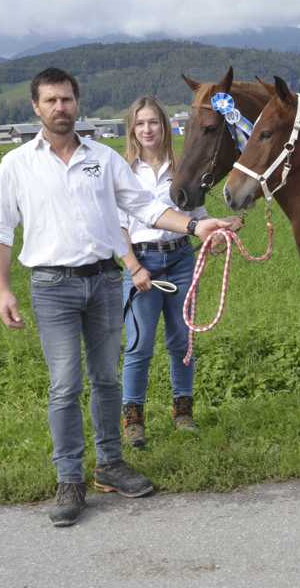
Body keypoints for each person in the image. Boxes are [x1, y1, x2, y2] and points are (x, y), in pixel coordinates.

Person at [0, 68, 241, 527]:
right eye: (51, 101)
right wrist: (3, 290)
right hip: (52, 287)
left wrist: (197, 226)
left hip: (102, 282)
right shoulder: (16, 165)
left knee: (105, 379)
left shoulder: (103, 158)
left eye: (66, 99)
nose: (60, 107)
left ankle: (111, 465)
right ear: (36, 108)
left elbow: (145, 207)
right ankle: (69, 479)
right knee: (65, 383)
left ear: (77, 103)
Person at [118, 96, 204, 447]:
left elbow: (196, 216)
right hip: (142, 264)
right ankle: (133, 420)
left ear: (164, 126)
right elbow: (118, 226)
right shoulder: (124, 171)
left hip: (180, 260)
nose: (147, 129)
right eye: (140, 123)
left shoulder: (182, 168)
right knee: (139, 345)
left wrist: (217, 229)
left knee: (182, 341)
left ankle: (183, 412)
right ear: (132, 129)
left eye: (153, 122)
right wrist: (134, 267)